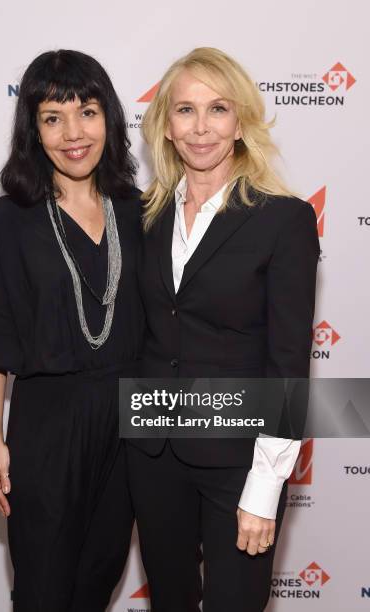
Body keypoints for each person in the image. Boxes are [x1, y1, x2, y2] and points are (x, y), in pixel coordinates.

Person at [126, 47, 320, 612]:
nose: (201, 127)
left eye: (218, 109)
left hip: (240, 460)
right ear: (165, 124)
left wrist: (265, 487)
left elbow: (288, 364)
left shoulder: (283, 218)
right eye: (185, 110)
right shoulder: (146, 215)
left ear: (240, 122)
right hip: (154, 454)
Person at [0, 49, 144, 612]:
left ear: (109, 119)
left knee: (100, 576)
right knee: (44, 585)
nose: (74, 132)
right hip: (47, 423)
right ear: (33, 129)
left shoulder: (137, 210)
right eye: (53, 117)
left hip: (129, 421)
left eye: (88, 112)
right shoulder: (11, 219)